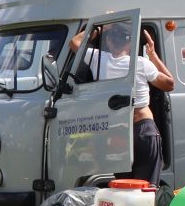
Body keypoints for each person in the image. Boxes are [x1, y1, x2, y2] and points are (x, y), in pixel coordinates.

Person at [69, 21, 177, 185]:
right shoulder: (141, 63)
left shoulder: (99, 59)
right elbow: (170, 84)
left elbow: (74, 43)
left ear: (109, 42)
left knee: (125, 185)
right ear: (131, 43)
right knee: (146, 187)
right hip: (143, 129)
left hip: (117, 131)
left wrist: (102, 28)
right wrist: (153, 55)